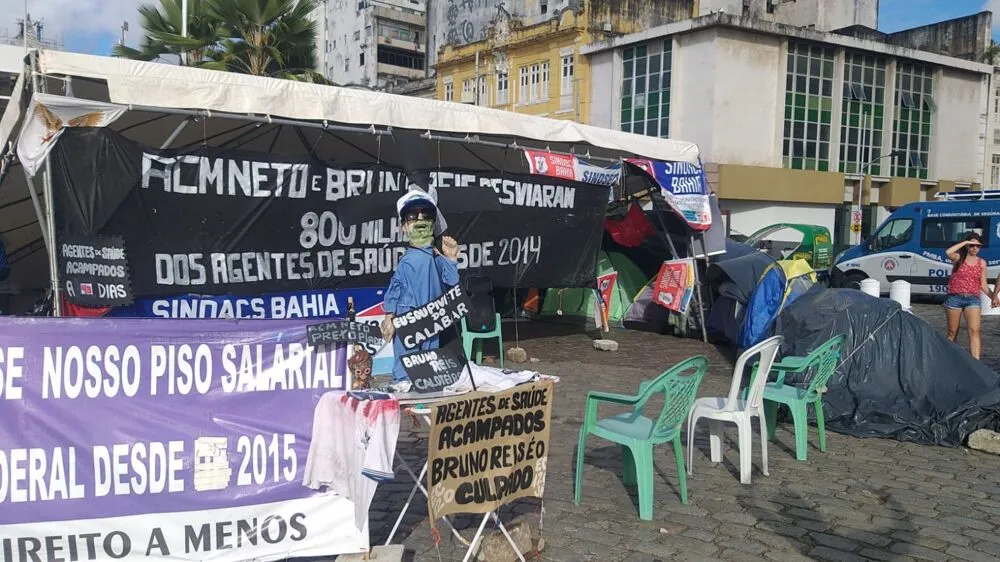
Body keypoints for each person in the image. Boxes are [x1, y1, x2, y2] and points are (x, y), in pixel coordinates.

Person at [380, 189, 460, 393]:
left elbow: (452, 280)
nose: (420, 220)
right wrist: (389, 315)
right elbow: (395, 288)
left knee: (430, 350)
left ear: (434, 223)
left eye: (426, 215)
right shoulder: (405, 262)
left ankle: (427, 381)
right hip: (407, 315)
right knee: (405, 350)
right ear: (404, 226)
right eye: (412, 216)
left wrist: (451, 258)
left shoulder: (436, 256)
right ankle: (402, 380)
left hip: (432, 315)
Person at [944, 232, 996, 360]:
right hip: (954, 298)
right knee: (952, 332)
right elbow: (948, 252)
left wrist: (993, 297)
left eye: (977, 246)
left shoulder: (982, 263)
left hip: (972, 299)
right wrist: (965, 242)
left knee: (974, 331)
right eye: (972, 245)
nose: (975, 248)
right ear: (967, 246)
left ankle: (975, 363)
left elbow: (983, 284)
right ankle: (949, 359)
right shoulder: (958, 258)